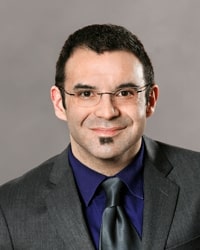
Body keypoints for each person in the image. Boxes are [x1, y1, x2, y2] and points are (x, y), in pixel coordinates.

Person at [0, 24, 200, 250]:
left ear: (150, 100)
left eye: (124, 93)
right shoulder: (8, 210)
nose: (107, 112)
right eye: (86, 94)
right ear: (59, 103)